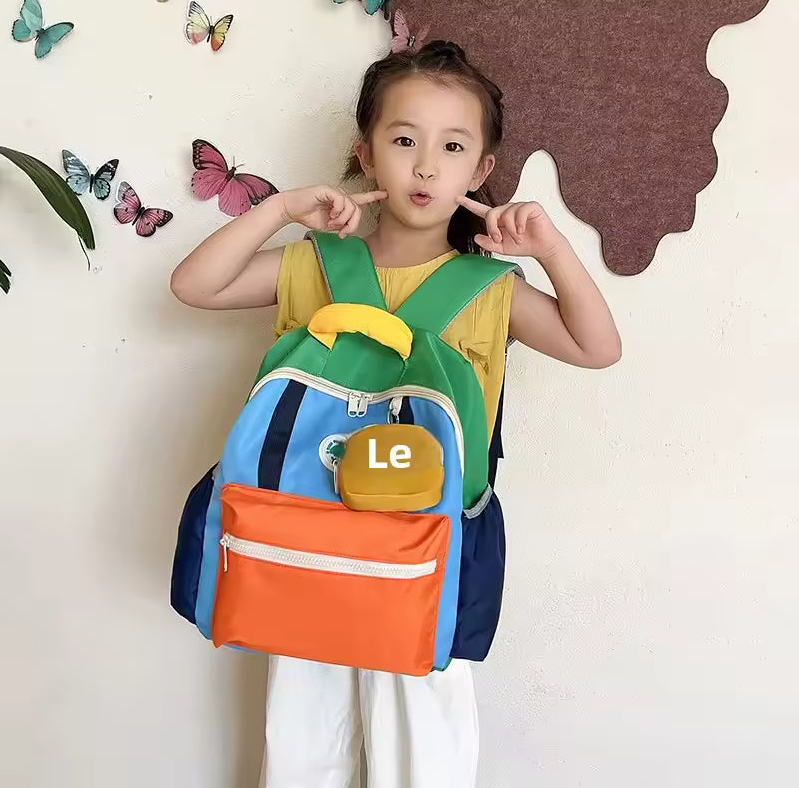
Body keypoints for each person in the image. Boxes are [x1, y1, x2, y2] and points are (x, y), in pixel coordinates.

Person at [170, 40, 621, 788]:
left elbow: (597, 347)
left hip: (424, 552)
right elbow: (195, 285)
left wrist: (550, 250)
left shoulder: (490, 288)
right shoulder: (314, 263)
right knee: (302, 746)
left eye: (453, 147)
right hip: (309, 541)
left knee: (423, 752)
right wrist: (279, 208)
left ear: (481, 169)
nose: (426, 167)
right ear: (365, 151)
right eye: (405, 140)